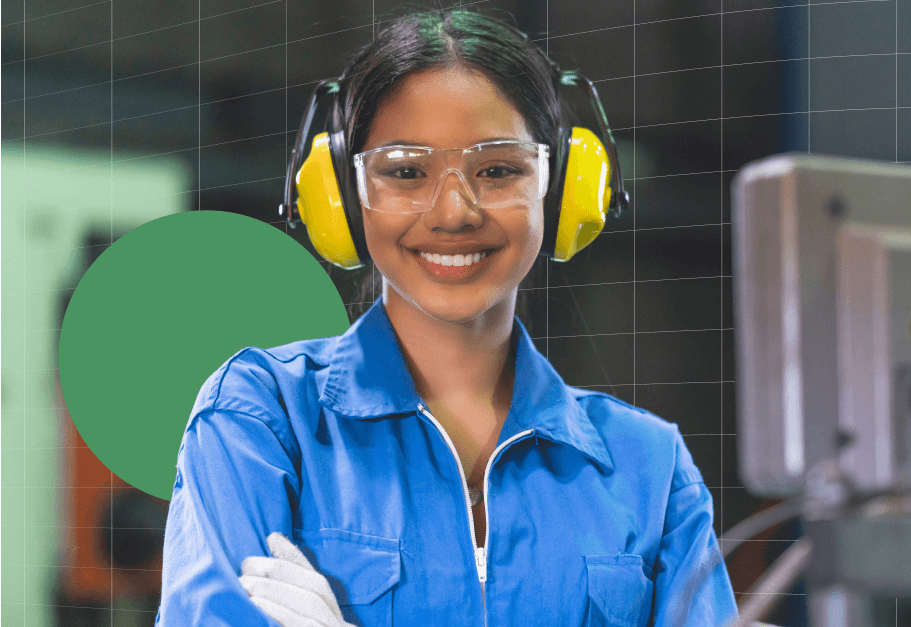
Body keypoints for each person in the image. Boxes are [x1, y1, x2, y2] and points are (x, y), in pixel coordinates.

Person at [156, 9, 737, 627]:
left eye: (498, 170)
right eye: (405, 171)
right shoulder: (263, 419)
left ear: (560, 185)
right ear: (345, 197)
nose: (454, 212)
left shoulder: (648, 467)